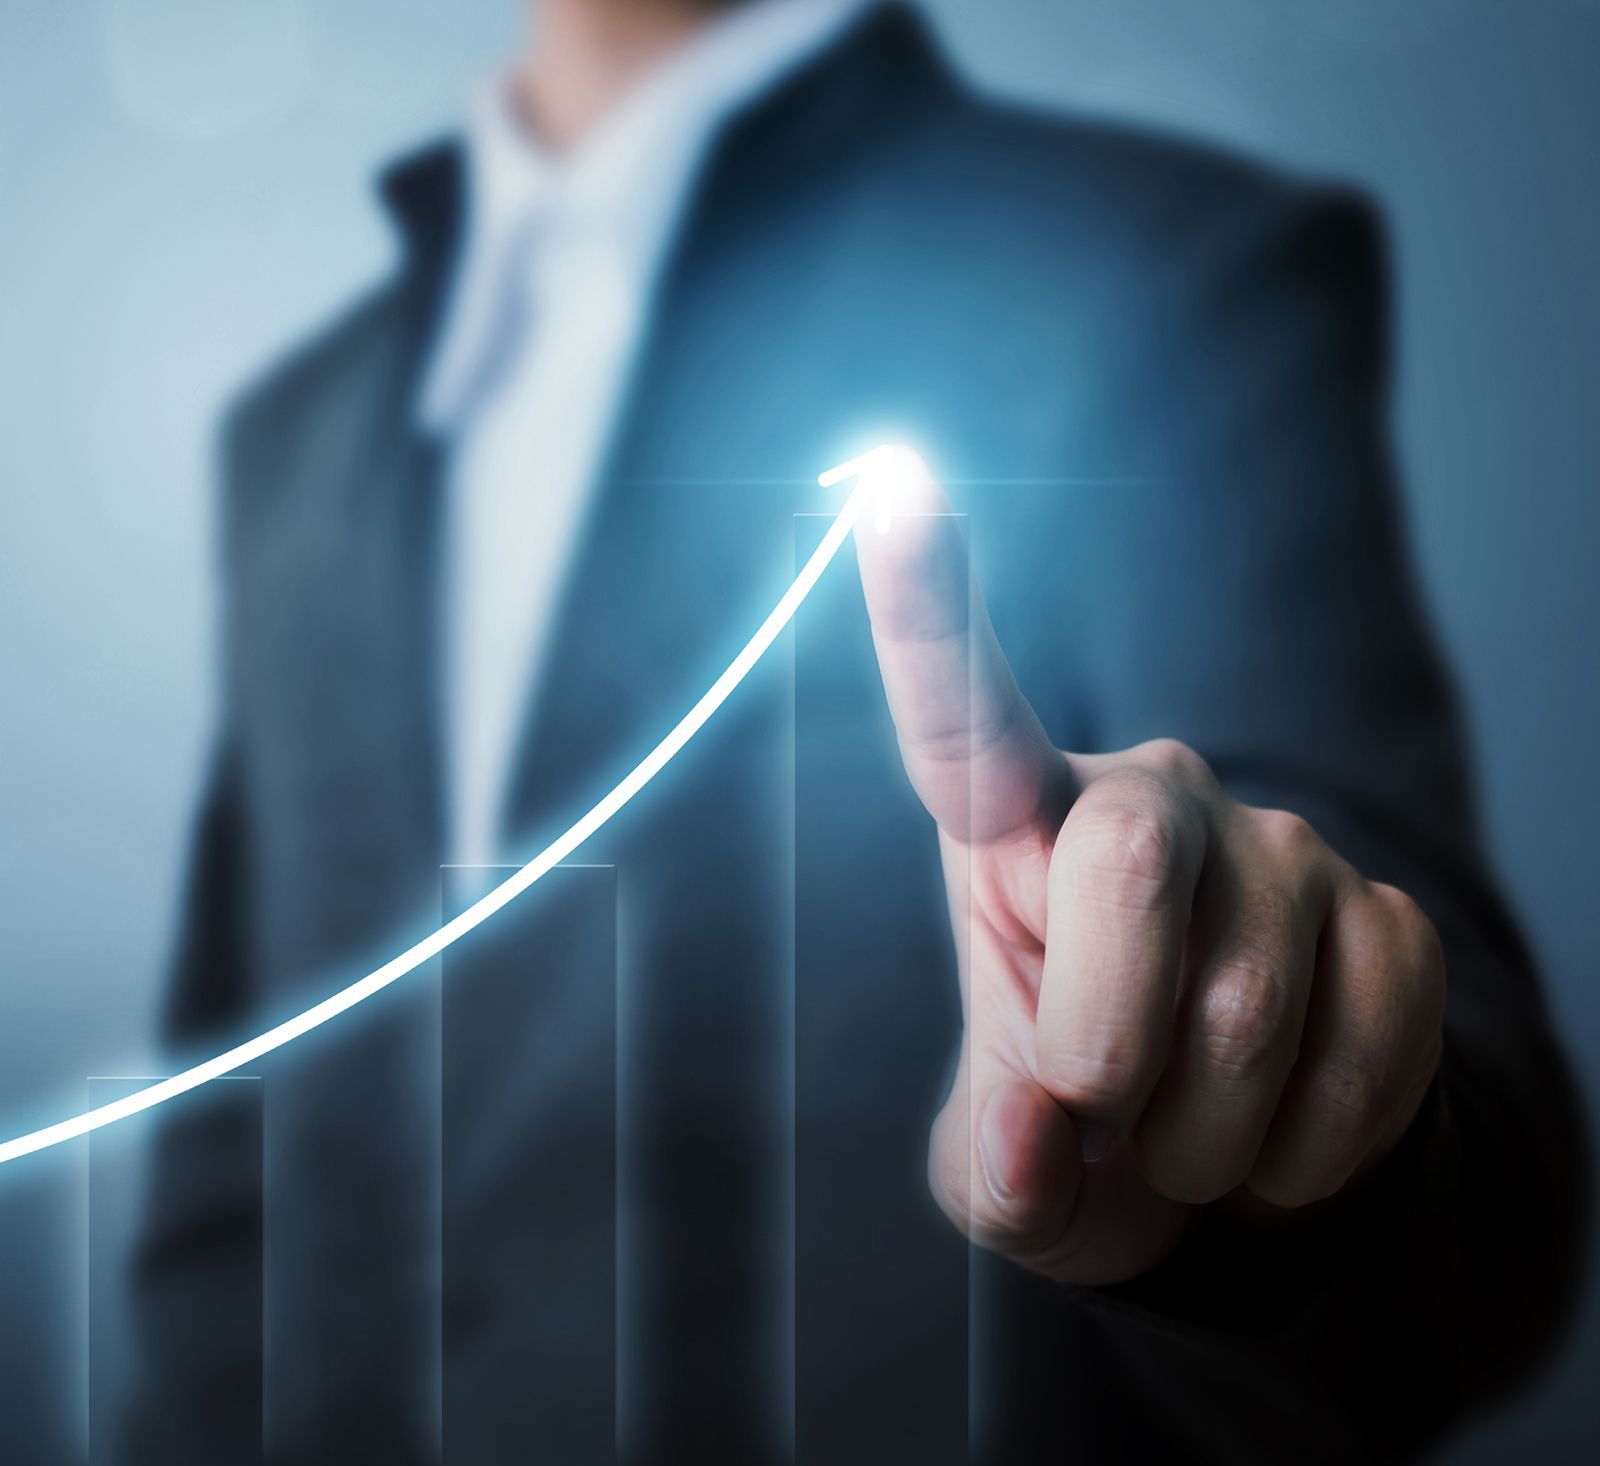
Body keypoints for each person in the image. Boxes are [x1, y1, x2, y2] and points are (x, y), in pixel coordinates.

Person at [123, 1, 1588, 1460]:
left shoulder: (1156, 269)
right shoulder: (297, 434)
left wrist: (1254, 1100)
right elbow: (232, 1144)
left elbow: (1466, 1161)